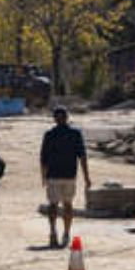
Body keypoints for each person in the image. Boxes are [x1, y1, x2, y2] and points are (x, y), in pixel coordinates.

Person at [40, 105, 91, 248]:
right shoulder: (75, 134)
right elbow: (82, 157)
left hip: (53, 175)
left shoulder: (49, 135)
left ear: (54, 119)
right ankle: (66, 233)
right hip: (69, 175)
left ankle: (53, 232)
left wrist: (43, 176)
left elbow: (43, 158)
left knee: (53, 205)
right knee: (68, 205)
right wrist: (86, 177)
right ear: (67, 117)